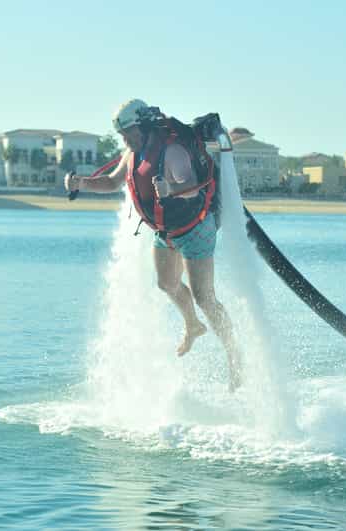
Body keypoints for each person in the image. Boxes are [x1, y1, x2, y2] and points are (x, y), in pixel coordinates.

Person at [65, 99, 242, 390]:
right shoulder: (132, 154)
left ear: (145, 127)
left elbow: (190, 186)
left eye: (129, 133)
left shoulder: (172, 152)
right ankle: (193, 326)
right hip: (165, 231)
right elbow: (111, 182)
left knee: (204, 296)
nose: (125, 139)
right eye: (122, 135)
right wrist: (80, 184)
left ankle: (235, 354)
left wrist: (171, 188)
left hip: (195, 227)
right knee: (167, 283)